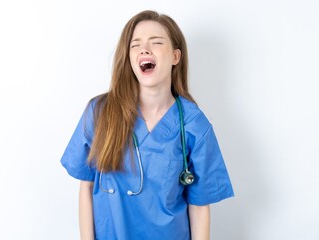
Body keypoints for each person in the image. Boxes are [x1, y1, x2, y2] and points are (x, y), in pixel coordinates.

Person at [61, 10, 234, 240]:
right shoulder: (100, 112)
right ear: (129, 56)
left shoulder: (194, 125)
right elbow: (86, 187)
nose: (145, 49)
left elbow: (200, 206)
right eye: (136, 44)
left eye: (156, 42)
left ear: (175, 56)